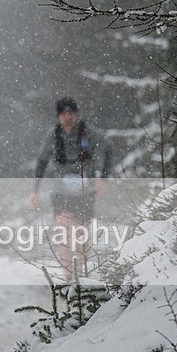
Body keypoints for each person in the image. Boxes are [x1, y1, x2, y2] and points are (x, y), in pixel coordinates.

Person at [28, 97, 113, 280]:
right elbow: (41, 161)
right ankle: (68, 276)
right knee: (64, 231)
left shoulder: (88, 132)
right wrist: (35, 189)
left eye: (71, 113)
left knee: (81, 235)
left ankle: (81, 277)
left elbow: (108, 149)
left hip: (85, 190)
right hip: (61, 190)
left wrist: (103, 179)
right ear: (59, 116)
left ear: (76, 114)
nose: (68, 117)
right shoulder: (53, 135)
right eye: (64, 114)